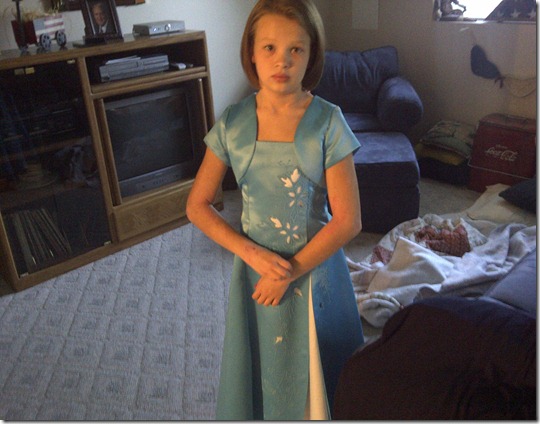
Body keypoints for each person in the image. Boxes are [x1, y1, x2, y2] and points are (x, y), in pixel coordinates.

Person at [186, 0, 364, 419]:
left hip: (315, 269)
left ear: (311, 55)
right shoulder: (233, 123)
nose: (282, 60)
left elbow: (349, 221)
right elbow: (197, 205)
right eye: (269, 48)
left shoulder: (328, 122)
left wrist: (289, 271)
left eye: (295, 49)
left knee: (320, 378)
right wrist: (252, 254)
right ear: (251, 52)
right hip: (255, 270)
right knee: (263, 365)